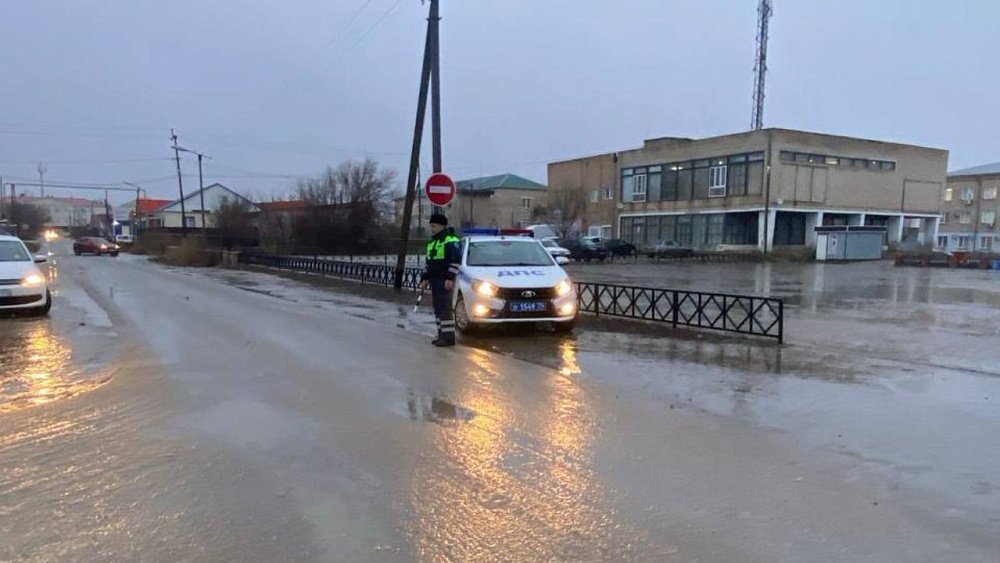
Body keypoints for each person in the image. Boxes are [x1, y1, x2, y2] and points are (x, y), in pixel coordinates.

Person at [420, 213, 461, 347]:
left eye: (434, 226)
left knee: (444, 308)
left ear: (442, 225)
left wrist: (450, 278)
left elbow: (455, 261)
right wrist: (425, 277)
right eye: (431, 226)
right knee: (438, 308)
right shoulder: (433, 242)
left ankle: (448, 337)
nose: (432, 228)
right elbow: (429, 262)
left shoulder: (450, 240)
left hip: (444, 279)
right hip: (435, 279)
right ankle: (441, 334)